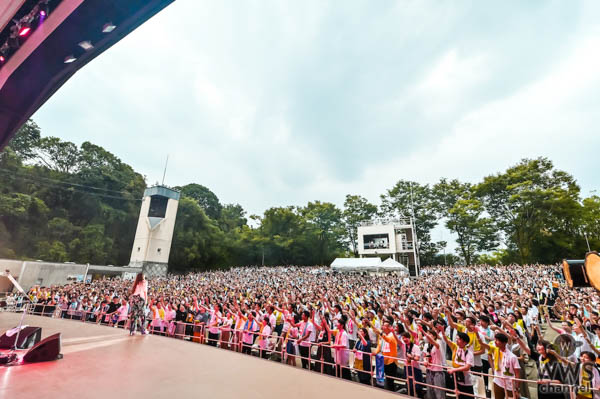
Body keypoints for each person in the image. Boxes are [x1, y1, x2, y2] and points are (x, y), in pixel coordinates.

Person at [443, 332, 475, 399]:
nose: (456, 340)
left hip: (467, 382)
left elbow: (467, 367)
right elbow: (446, 340)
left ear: (465, 342)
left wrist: (454, 369)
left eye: (459, 339)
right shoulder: (455, 347)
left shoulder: (469, 353)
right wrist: (443, 332)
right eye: (457, 338)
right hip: (457, 379)